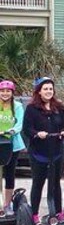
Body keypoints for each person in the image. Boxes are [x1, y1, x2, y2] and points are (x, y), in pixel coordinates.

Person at [22, 77, 64, 225]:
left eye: (50, 89)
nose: (48, 91)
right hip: (39, 153)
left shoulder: (59, 108)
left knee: (56, 183)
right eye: (45, 89)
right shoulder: (32, 109)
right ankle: (35, 214)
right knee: (38, 183)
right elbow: (27, 129)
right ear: (39, 91)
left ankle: (59, 212)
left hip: (56, 151)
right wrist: (37, 134)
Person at [0, 80, 25, 216]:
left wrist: (10, 131)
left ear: (12, 93)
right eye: (2, 91)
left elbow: (19, 125)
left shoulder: (17, 106)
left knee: (9, 174)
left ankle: (7, 205)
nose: (5, 93)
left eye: (8, 91)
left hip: (12, 145)